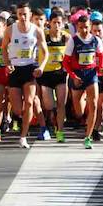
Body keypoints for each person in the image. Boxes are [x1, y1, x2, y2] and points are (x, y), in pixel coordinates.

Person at [2, 3, 49, 148]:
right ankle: (24, 121)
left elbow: (46, 52)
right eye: (20, 14)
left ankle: (23, 136)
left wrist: (41, 66)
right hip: (15, 69)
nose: (22, 17)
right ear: (17, 15)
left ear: (30, 15)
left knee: (29, 102)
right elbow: (3, 48)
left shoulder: (37, 31)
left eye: (25, 14)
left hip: (30, 68)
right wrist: (7, 63)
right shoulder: (10, 30)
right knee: (17, 109)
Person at [62, 14, 103, 150]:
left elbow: (101, 56)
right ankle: (84, 113)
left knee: (94, 106)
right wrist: (73, 76)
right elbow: (66, 62)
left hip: (91, 75)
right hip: (78, 76)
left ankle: (88, 137)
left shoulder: (96, 40)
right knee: (79, 111)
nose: (84, 30)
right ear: (77, 27)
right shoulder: (73, 41)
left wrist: (102, 67)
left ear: (90, 26)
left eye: (86, 27)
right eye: (81, 28)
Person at [38, 11, 69, 143]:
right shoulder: (44, 36)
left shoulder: (66, 37)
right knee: (49, 105)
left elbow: (71, 54)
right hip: (46, 74)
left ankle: (60, 131)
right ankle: (51, 118)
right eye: (54, 22)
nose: (56, 25)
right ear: (49, 23)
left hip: (60, 74)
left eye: (59, 23)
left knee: (62, 104)